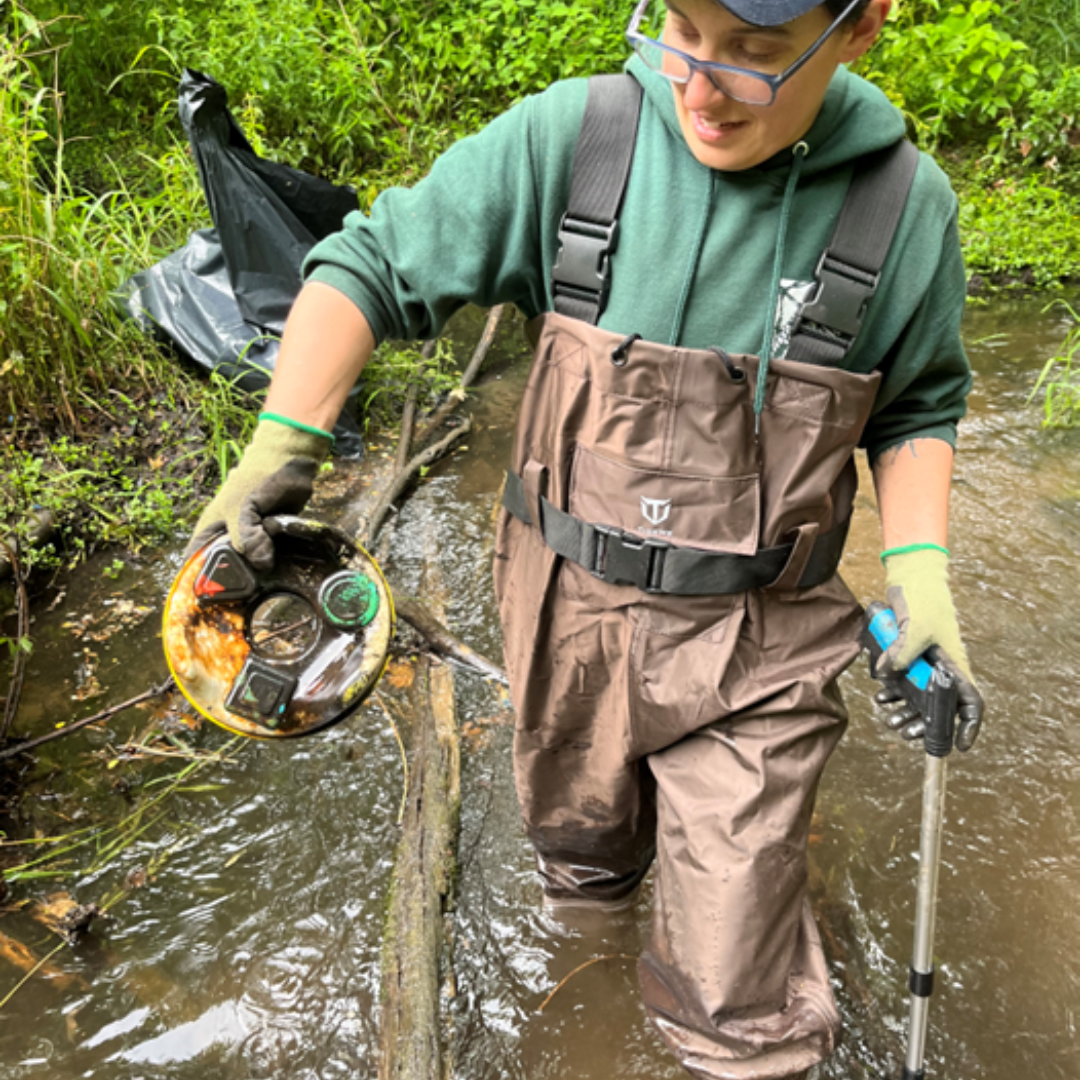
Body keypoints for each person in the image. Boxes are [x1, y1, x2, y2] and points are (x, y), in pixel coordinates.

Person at [189, 0, 985, 1075]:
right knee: (582, 881)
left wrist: (921, 573)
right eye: (682, 33)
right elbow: (366, 265)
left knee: (737, 1014)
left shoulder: (901, 209)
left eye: (752, 57)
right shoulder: (578, 140)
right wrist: (282, 441)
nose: (698, 87)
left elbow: (916, 406)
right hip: (562, 619)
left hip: (762, 649)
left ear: (858, 28)